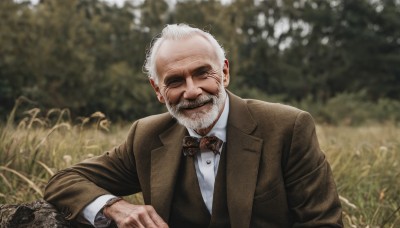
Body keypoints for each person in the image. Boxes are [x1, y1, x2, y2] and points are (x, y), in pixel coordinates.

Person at [44, 23, 343, 227]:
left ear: (224, 73)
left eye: (203, 73)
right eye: (175, 81)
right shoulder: (145, 137)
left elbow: (323, 223)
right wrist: (116, 208)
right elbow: (63, 181)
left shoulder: (289, 127)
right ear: (158, 90)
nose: (191, 91)